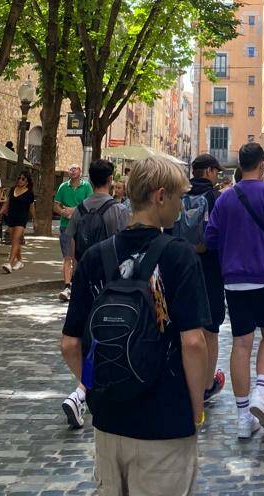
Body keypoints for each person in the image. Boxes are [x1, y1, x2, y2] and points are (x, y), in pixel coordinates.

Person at [60, 156, 209, 496]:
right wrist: (196, 410)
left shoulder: (95, 257)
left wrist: (96, 388)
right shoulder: (180, 255)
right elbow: (193, 343)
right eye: (178, 197)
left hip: (110, 424)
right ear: (160, 196)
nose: (181, 205)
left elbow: (69, 345)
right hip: (165, 421)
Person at [205, 142, 264, 439]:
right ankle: (261, 391)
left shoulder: (225, 198)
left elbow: (211, 237)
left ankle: (243, 417)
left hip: (234, 279)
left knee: (241, 343)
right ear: (261, 164)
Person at [60, 158, 131, 429]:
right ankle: (83, 392)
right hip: (111, 282)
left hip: (84, 278)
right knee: (106, 338)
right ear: (111, 179)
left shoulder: (80, 210)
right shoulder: (119, 210)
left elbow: (71, 243)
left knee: (87, 339)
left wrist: (74, 270)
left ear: (90, 179)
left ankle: (83, 391)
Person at [185, 154, 227, 406]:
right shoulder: (215, 198)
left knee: (187, 326)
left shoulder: (180, 194)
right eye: (216, 171)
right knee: (211, 328)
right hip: (210, 268)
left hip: (183, 265)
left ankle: (188, 378)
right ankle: (207, 384)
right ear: (209, 171)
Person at [54, 164, 93, 301]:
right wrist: (63, 212)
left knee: (78, 256)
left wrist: (74, 210)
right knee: (67, 257)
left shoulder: (86, 186)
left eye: (75, 168)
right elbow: (56, 205)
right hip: (66, 225)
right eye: (70, 169)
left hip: (81, 226)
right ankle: (67, 286)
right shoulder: (63, 187)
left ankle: (76, 284)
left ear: (80, 171)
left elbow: (90, 204)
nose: (73, 171)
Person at [0, 169, 35, 273]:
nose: (20, 180)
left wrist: (35, 220)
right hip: (11, 217)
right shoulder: (13, 189)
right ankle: (20, 261)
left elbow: (31, 207)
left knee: (16, 239)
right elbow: (7, 203)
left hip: (22, 218)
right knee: (14, 240)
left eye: (23, 179)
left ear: (27, 181)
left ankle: (9, 263)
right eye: (19, 178)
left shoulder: (29, 193)